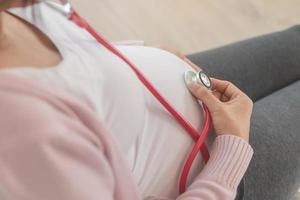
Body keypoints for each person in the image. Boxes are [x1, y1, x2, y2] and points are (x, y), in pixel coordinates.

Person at [0, 1, 298, 200]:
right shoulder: (24, 131)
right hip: (217, 173)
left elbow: (71, 75)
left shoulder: (19, 9)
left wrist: (143, 56)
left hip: (183, 82)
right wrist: (231, 155)